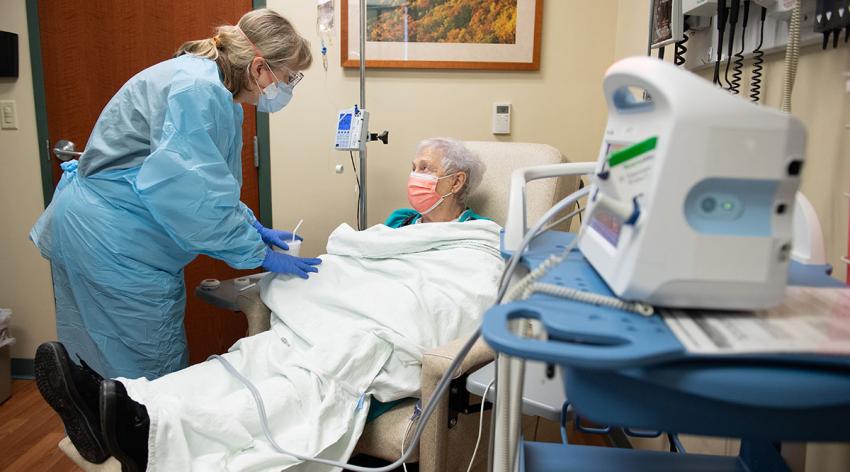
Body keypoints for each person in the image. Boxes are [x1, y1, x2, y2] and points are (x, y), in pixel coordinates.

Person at [35, 139, 500, 471]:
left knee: (311, 378)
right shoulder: (397, 227)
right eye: (414, 164)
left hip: (370, 337)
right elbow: (353, 260)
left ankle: (148, 426)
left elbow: (456, 299)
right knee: (253, 358)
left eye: (424, 166)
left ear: (455, 180)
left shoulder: (477, 241)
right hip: (321, 325)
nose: (414, 175)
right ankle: (123, 399)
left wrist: (382, 308)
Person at [29, 9, 321, 381]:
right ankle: (124, 436)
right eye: (289, 76)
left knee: (105, 367)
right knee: (144, 375)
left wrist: (251, 225)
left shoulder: (215, 91)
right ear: (260, 69)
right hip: (113, 238)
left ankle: (103, 435)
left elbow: (208, 185)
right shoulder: (198, 91)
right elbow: (190, 199)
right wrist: (257, 251)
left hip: (106, 226)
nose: (289, 86)